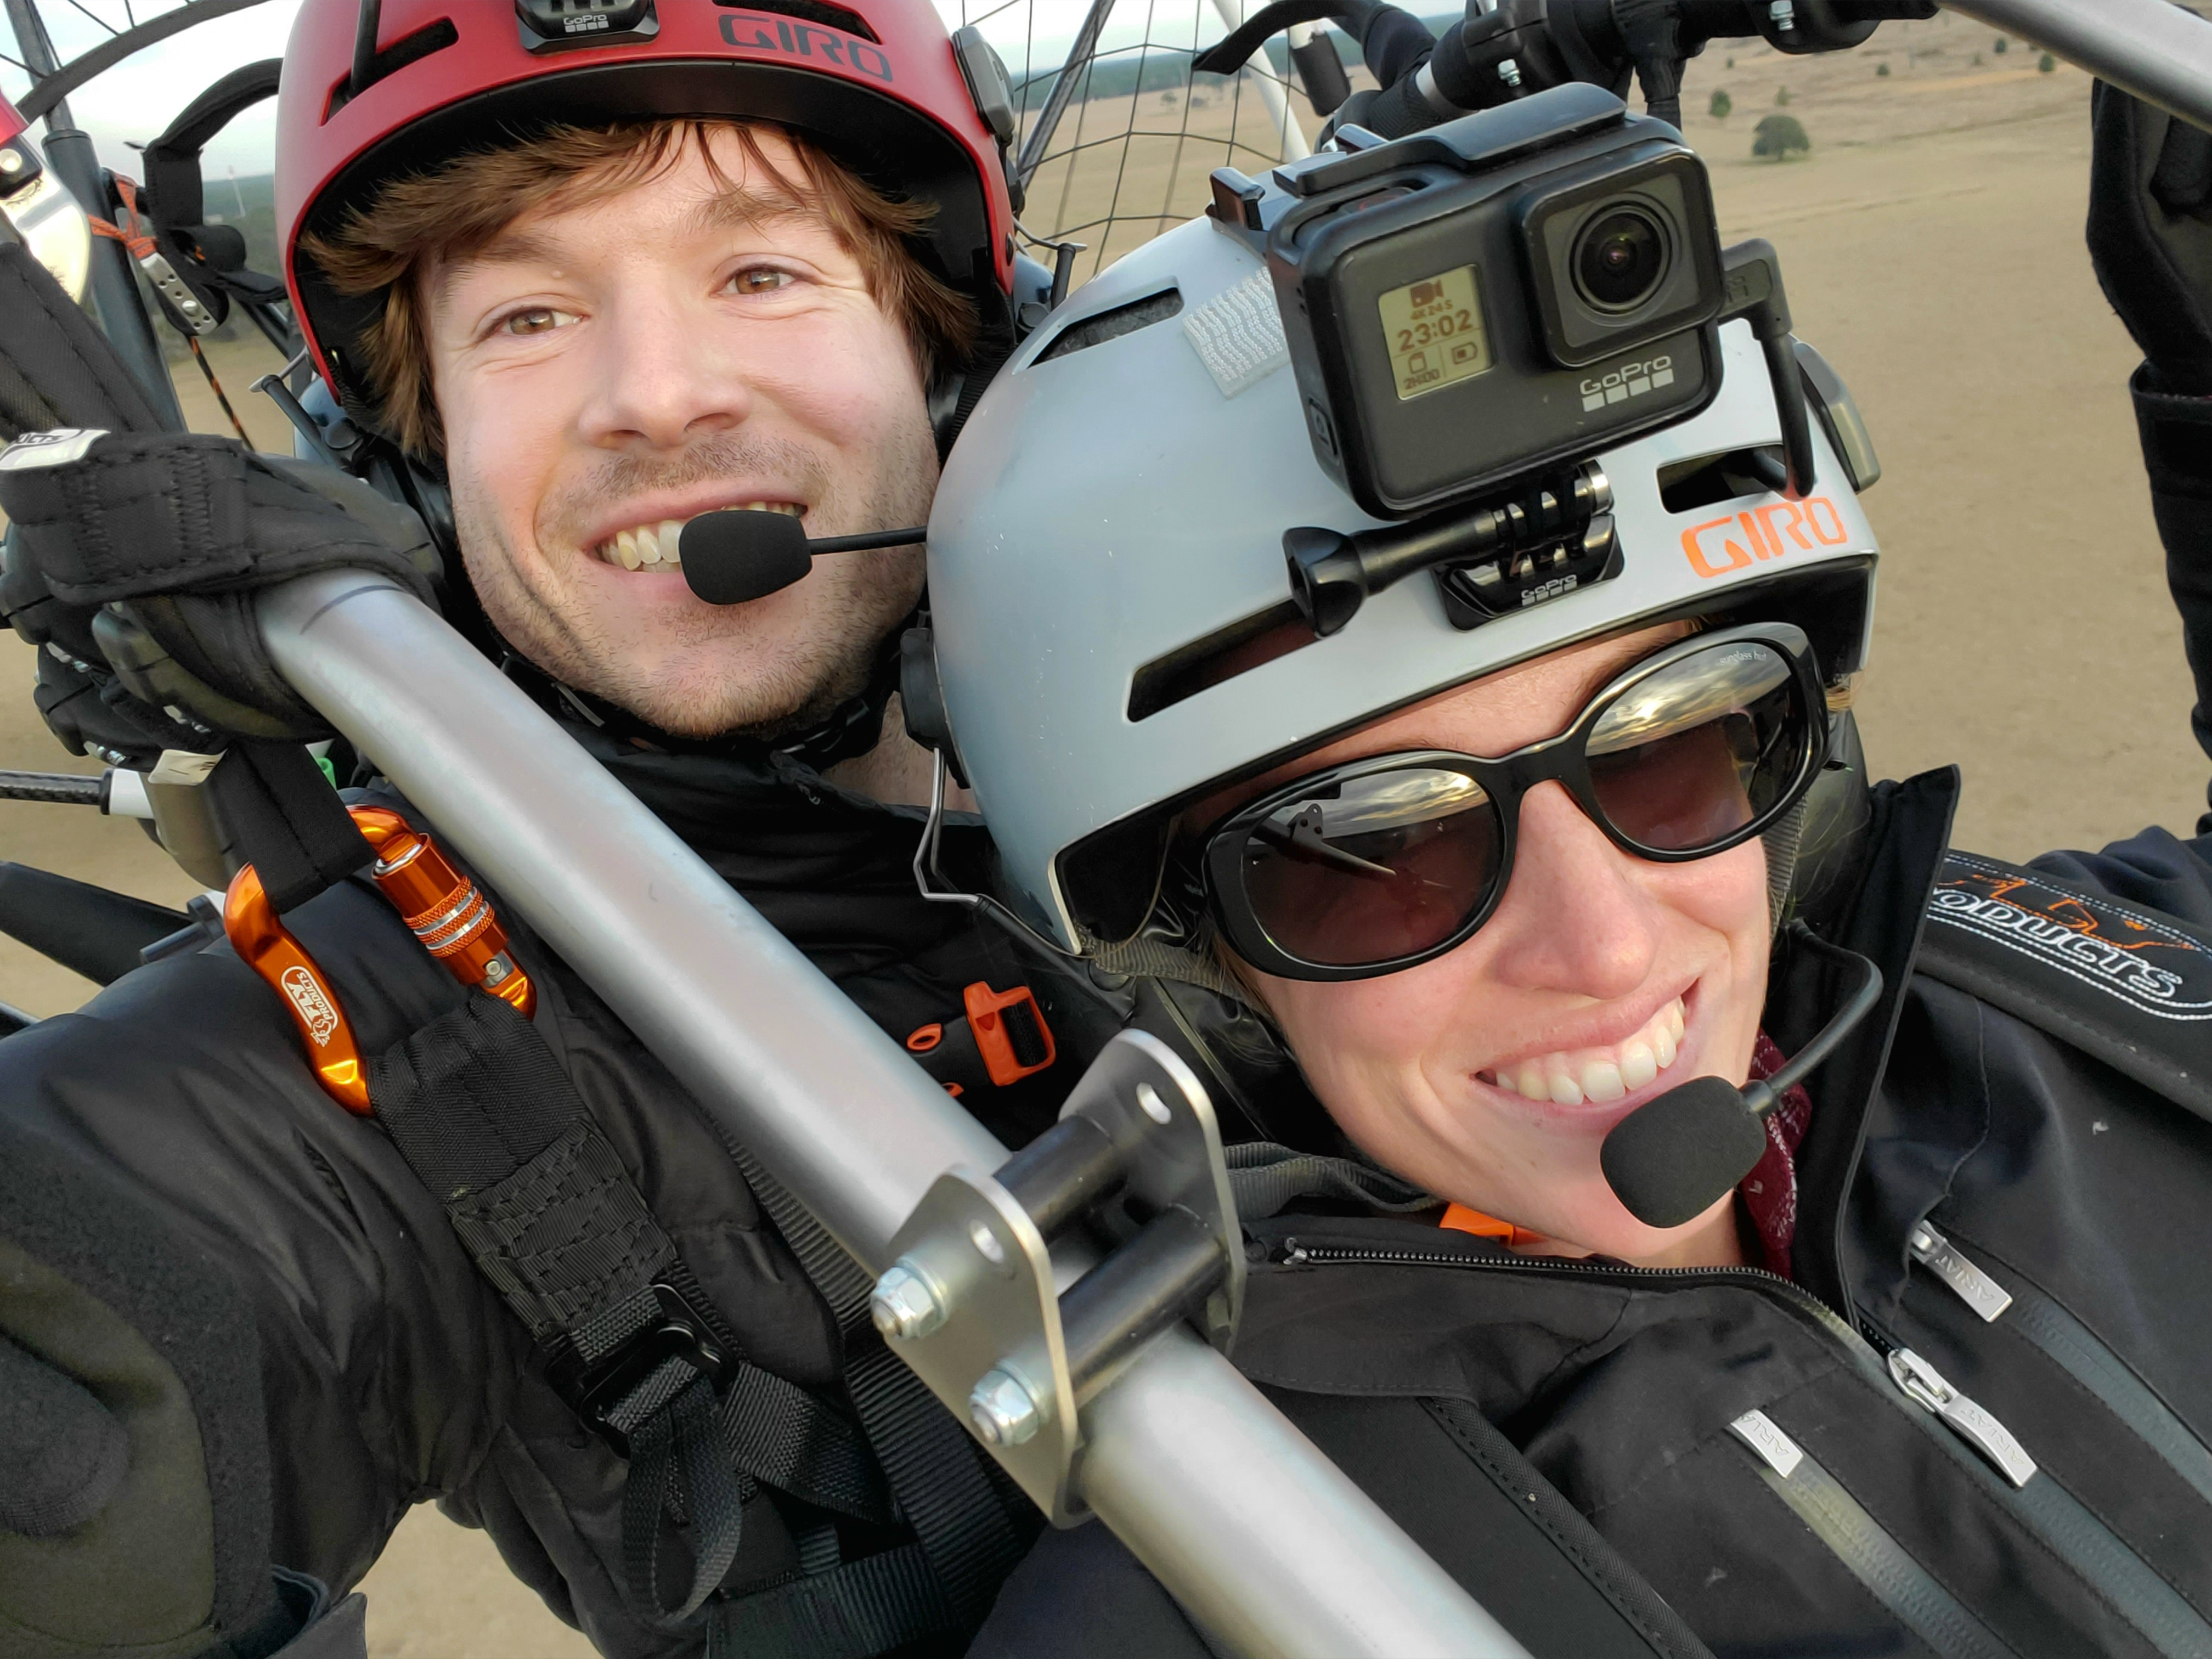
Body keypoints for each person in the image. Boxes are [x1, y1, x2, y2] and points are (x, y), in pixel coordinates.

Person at [922, 87, 2212, 1658]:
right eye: (1376, 848)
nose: (1601, 947)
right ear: (1204, 977)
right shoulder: (1238, 1586)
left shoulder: (2055, 993)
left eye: (1671, 742)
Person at [0, 4, 1111, 1655]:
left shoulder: (1297, 711)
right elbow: (120, 1289)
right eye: (527, 313)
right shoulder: (406, 1018)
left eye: (761, 272)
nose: (656, 396)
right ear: (415, 457)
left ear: (947, 352)